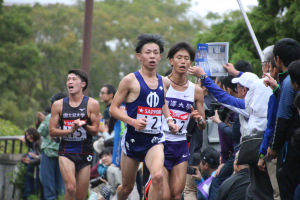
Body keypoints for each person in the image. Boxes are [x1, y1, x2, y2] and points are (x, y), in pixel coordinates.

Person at [188, 65, 274, 200]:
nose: (236, 90)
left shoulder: (249, 106)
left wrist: (204, 77)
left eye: (238, 87)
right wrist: (236, 72)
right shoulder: (270, 101)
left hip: (256, 153)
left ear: (245, 90)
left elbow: (222, 97)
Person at [109, 33, 178, 200]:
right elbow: (113, 109)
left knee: (158, 177)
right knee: (126, 188)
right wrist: (133, 121)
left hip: (154, 140)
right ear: (139, 56)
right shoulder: (129, 80)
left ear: (160, 57)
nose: (152, 56)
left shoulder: (165, 82)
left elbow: (161, 103)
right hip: (133, 140)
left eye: (155, 52)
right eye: (148, 52)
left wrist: (169, 120)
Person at [159, 42, 206, 200]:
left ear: (190, 63)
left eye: (187, 58)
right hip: (161, 142)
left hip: (181, 144)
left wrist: (199, 119)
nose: (183, 61)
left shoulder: (196, 91)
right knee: (164, 195)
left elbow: (202, 126)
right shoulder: (161, 84)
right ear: (171, 61)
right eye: (179, 57)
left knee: (177, 194)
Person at [49, 69, 100, 200]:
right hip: (66, 150)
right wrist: (70, 131)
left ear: (83, 84)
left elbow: (95, 130)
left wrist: (84, 125)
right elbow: (52, 131)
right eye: (68, 79)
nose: (70, 82)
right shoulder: (58, 105)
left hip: (84, 151)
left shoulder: (92, 104)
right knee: (71, 187)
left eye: (74, 79)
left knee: (81, 196)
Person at [266, 39, 300, 199]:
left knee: (287, 188)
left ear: (277, 59)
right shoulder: (290, 81)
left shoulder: (287, 82)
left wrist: (273, 146)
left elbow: (283, 117)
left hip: (291, 145)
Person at [257, 56, 280, 200]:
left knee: (278, 193)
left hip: (276, 152)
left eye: (269, 68)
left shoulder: (276, 96)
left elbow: (271, 127)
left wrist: (261, 155)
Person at [38, 92, 67, 200]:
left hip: (49, 151)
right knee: (61, 181)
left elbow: (41, 132)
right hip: (63, 153)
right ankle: (60, 197)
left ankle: (51, 198)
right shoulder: (70, 117)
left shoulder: (50, 116)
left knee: (48, 179)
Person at [21, 127, 43, 200]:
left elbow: (45, 156)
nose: (28, 137)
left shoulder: (41, 141)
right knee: (37, 187)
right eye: (27, 136)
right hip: (40, 167)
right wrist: (30, 161)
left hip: (46, 167)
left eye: (30, 135)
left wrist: (36, 157)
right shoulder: (34, 144)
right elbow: (38, 161)